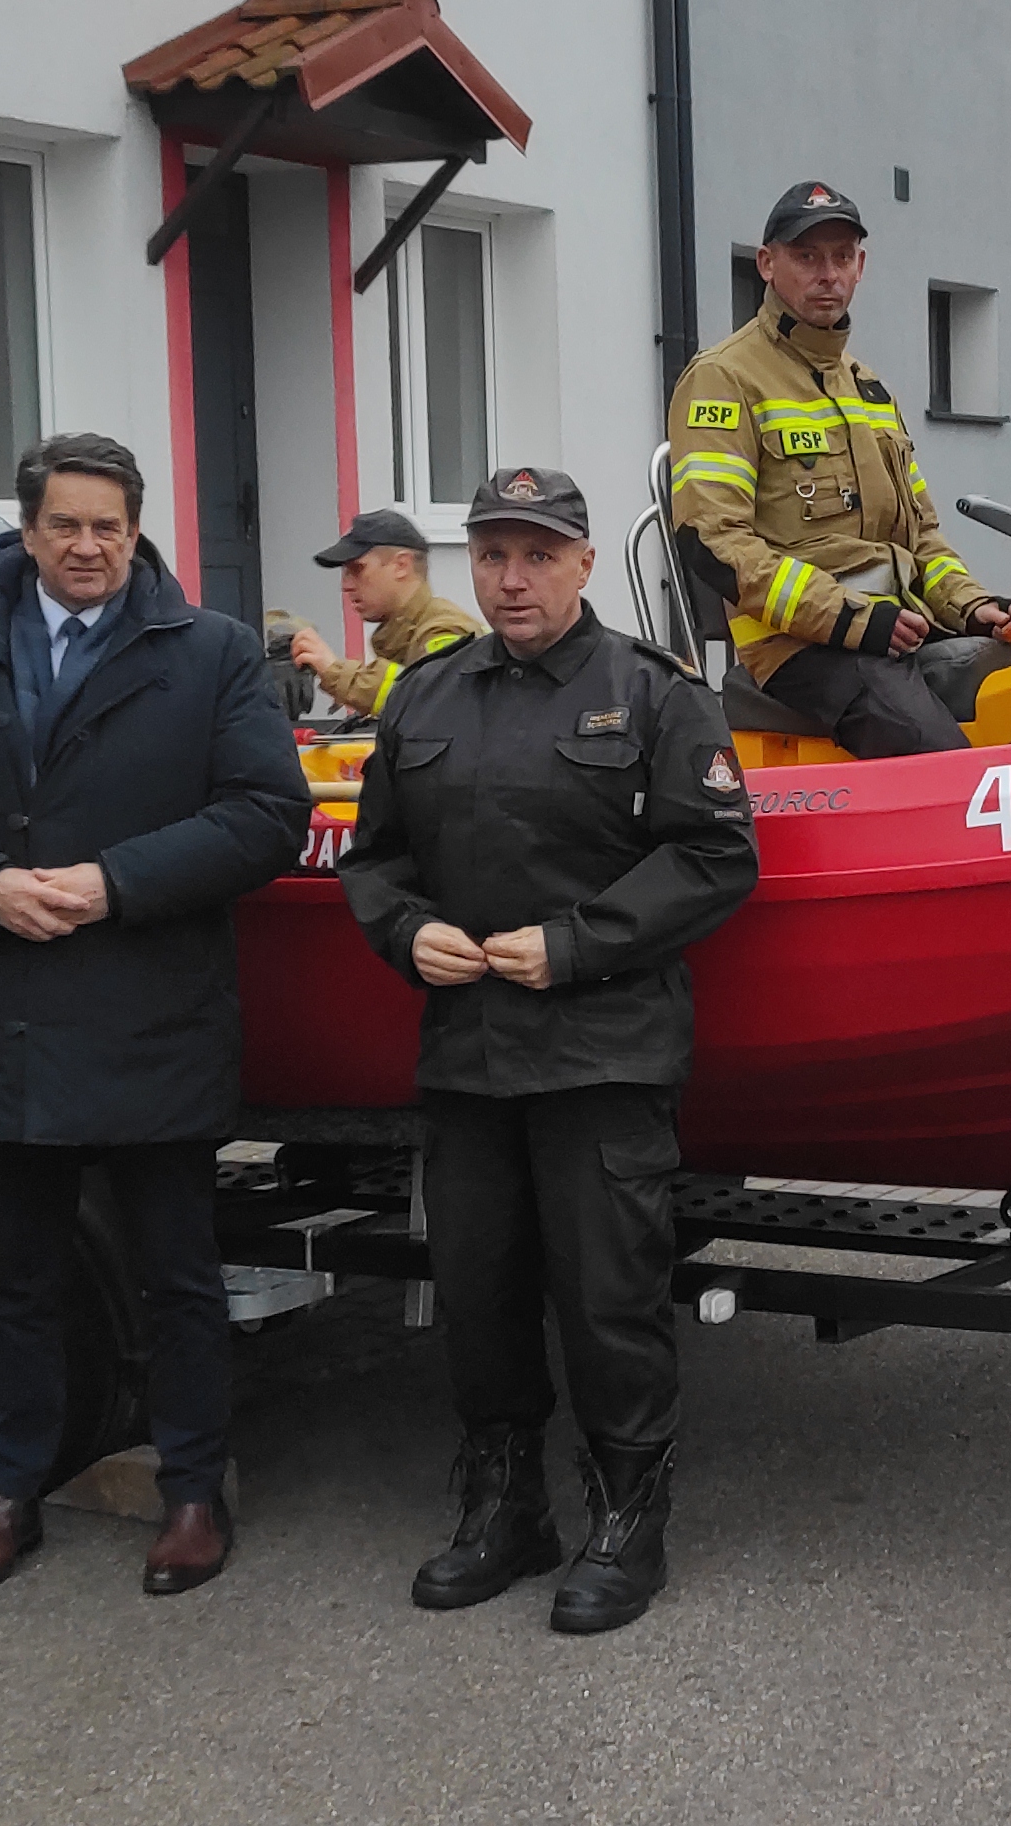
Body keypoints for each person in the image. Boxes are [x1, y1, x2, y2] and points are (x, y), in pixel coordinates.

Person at [0, 433, 309, 1598]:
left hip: (153, 1007)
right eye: (66, 524)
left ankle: (193, 1490)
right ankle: (9, 1491)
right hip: (6, 1011)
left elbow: (266, 813)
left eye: (109, 523)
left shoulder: (205, 654)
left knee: (176, 1274)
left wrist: (114, 880)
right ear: (28, 530)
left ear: (137, 526)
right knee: (20, 1276)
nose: (89, 545)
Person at [337, 465, 758, 1634]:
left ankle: (628, 1517)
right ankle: (502, 1504)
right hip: (466, 1053)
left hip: (601, 1048)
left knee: (607, 1296)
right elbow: (370, 862)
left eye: (534, 555)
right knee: (475, 1293)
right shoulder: (423, 698)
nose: (510, 579)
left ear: (580, 564)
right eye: (490, 556)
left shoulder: (656, 696)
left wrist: (575, 946)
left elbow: (719, 854)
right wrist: (407, 931)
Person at [664, 178, 1011, 759]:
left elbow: (922, 538)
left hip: (890, 632)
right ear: (766, 263)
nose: (826, 273)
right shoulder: (724, 378)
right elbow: (712, 541)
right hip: (796, 648)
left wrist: (973, 606)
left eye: (840, 257)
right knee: (939, 759)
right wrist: (848, 619)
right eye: (806, 256)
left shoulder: (870, 391)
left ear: (861, 266)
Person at [282, 508, 481, 721]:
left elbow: (433, 706)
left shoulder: (446, 629)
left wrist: (335, 672)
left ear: (401, 565)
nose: (346, 585)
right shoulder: (400, 635)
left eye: (357, 569)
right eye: (344, 573)